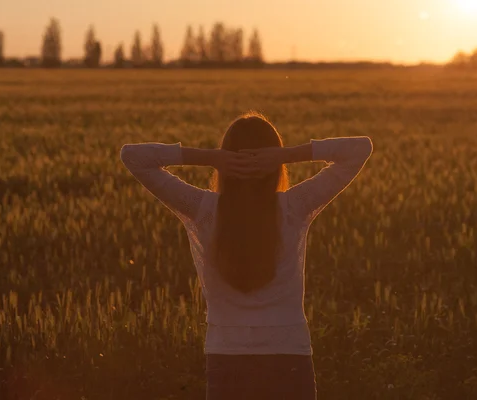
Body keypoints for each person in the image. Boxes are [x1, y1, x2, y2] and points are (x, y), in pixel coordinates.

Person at [120, 112, 373, 399]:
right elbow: (359, 148)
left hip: (226, 355)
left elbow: (133, 156)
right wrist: (286, 155)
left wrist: (212, 157)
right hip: (288, 353)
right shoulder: (293, 207)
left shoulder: (204, 209)